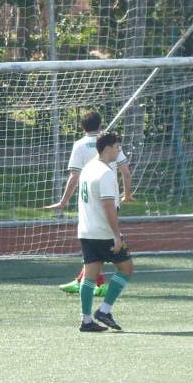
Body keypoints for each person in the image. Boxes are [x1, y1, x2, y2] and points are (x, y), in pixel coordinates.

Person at [44, 111, 133, 295]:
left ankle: (92, 285)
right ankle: (89, 283)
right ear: (100, 124)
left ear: (82, 126)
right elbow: (125, 170)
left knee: (95, 242)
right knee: (106, 243)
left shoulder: (80, 145)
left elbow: (74, 176)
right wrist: (127, 194)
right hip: (109, 198)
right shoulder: (110, 144)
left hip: (88, 202)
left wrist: (63, 201)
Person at [76, 130, 134, 332]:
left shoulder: (88, 168)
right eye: (117, 147)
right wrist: (116, 235)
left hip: (86, 230)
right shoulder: (106, 173)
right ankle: (104, 310)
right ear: (108, 148)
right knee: (126, 268)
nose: (119, 151)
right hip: (103, 232)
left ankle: (86, 320)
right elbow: (108, 206)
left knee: (90, 275)